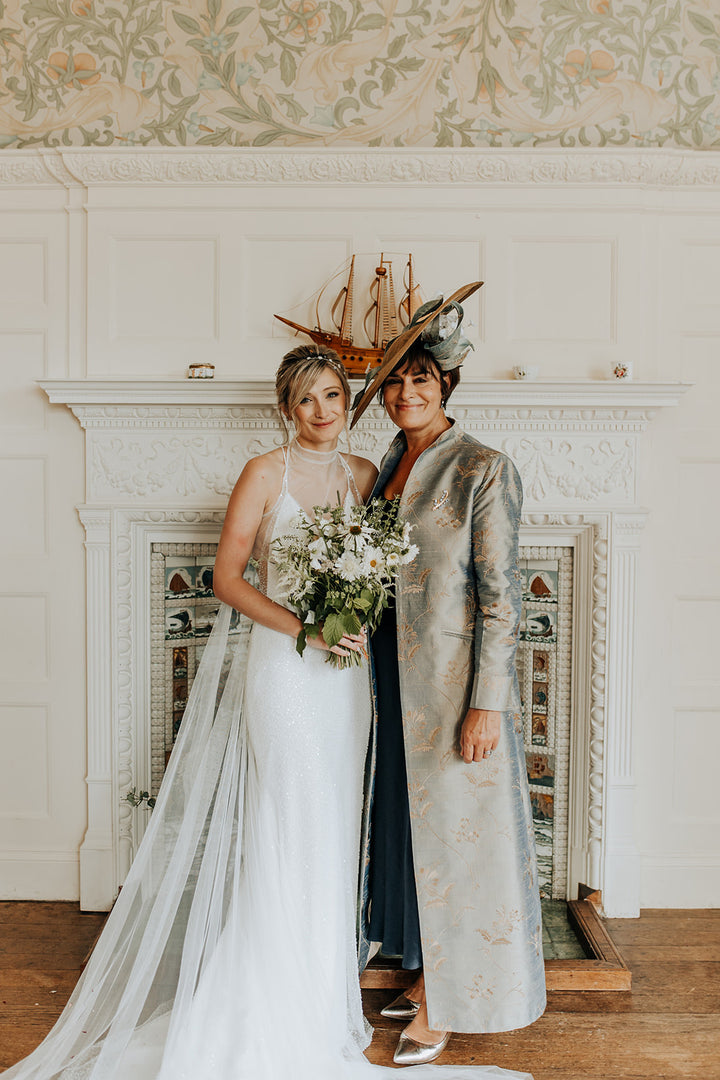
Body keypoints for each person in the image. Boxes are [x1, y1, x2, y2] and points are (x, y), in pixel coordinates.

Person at [4, 343, 535, 1080]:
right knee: (284, 824)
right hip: (286, 675)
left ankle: (323, 997)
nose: (323, 410)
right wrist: (306, 629)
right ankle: (264, 995)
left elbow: (418, 583)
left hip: (350, 683)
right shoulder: (264, 473)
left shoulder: (367, 477)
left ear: (353, 402)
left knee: (333, 831)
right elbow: (227, 578)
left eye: (334, 396)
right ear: (287, 406)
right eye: (308, 398)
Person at [352, 285, 547, 1066]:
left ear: (446, 386)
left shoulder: (483, 470)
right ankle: (425, 967)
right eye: (395, 383)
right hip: (382, 686)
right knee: (406, 836)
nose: (406, 393)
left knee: (461, 847)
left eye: (421, 380)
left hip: (451, 692)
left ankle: (450, 997)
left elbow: (502, 599)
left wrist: (487, 707)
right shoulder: (385, 470)